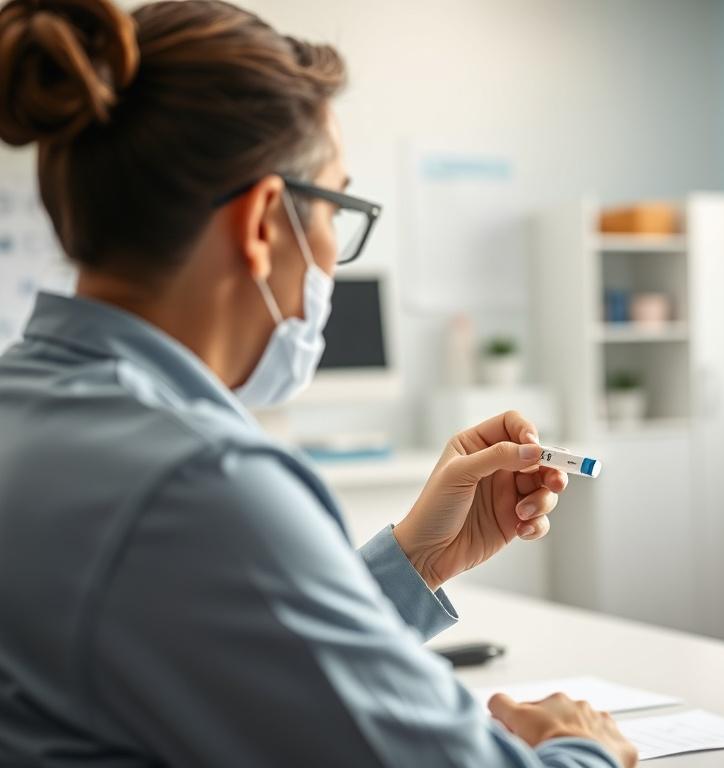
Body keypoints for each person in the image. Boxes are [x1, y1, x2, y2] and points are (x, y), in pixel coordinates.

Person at [0, 0, 638, 766]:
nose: (338, 250)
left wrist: (415, 563)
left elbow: (234, 659)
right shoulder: (199, 483)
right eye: (338, 206)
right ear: (266, 222)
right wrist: (586, 748)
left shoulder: (28, 416)